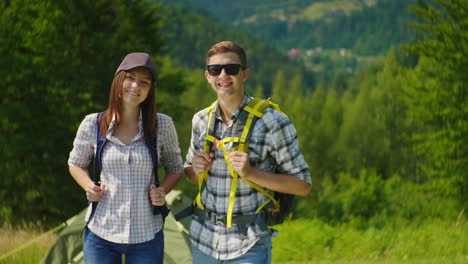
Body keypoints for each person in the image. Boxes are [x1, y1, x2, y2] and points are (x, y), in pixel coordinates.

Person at [184, 41, 312, 263]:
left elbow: (302, 186)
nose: (223, 75)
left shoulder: (273, 122)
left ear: (245, 74)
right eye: (215, 70)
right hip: (203, 242)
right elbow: (191, 177)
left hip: (249, 246)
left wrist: (251, 173)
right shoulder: (200, 120)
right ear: (207, 76)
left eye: (231, 69)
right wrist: (195, 169)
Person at [68, 52, 183, 264]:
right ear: (118, 80)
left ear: (150, 91)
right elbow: (75, 163)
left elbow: (176, 168)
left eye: (144, 82)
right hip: (101, 231)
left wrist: (162, 191)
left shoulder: (162, 125)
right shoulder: (93, 124)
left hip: (147, 233)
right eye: (130, 78)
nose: (135, 86)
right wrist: (88, 186)